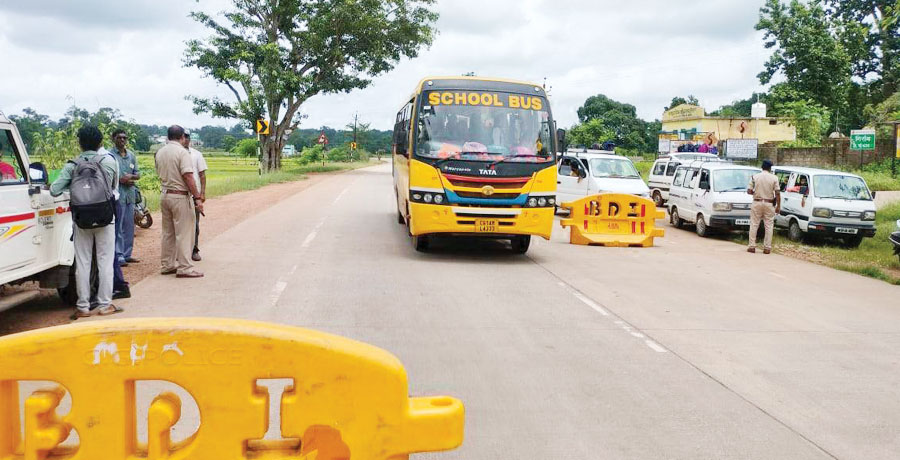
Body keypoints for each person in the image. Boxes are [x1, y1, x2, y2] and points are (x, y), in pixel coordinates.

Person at [50, 125, 123, 316]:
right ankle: (105, 304)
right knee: (105, 260)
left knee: (83, 262)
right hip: (105, 216)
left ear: (80, 143)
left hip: (81, 218)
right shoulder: (109, 161)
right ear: (100, 142)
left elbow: (54, 190)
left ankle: (82, 306)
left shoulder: (73, 165)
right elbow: (113, 187)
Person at [155, 125, 204, 278]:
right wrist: (197, 197)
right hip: (180, 196)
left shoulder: (160, 152)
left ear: (168, 136)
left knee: (168, 232)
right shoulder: (182, 152)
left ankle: (167, 264)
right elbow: (188, 176)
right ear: (182, 137)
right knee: (184, 233)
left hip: (165, 194)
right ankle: (185, 267)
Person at [110, 129, 141, 266]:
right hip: (117, 195)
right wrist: (120, 180)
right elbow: (107, 175)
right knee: (118, 226)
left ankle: (127, 254)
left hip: (130, 195)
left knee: (129, 226)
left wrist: (131, 177)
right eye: (119, 138)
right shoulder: (110, 156)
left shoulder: (131, 155)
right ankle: (119, 255)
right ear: (113, 139)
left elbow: (138, 174)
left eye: (124, 138)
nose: (122, 140)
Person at [182, 132, 208, 261]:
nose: (185, 139)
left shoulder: (197, 154)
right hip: (180, 194)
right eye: (183, 137)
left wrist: (202, 193)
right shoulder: (176, 154)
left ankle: (194, 249)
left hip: (194, 194)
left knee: (195, 223)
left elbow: (202, 175)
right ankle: (181, 252)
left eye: (187, 137)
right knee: (180, 224)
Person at [747, 159, 781, 254]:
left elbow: (749, 191)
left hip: (757, 202)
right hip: (769, 203)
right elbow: (777, 193)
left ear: (762, 167)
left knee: (754, 224)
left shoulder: (754, 177)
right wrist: (778, 206)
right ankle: (767, 248)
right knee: (769, 225)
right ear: (770, 168)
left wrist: (755, 193)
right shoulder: (774, 178)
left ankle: (752, 246)